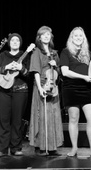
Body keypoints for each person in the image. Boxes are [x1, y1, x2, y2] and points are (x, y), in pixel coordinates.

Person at [60, 26, 91, 158]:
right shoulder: (66, 52)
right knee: (74, 118)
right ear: (71, 38)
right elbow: (65, 72)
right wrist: (84, 77)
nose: (78, 38)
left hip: (86, 89)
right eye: (76, 36)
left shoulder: (88, 53)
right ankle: (74, 148)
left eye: (81, 36)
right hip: (70, 88)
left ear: (83, 38)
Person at [28, 26, 64, 156]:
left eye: (48, 34)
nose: (46, 36)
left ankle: (52, 147)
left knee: (53, 115)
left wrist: (56, 65)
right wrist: (40, 88)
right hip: (42, 85)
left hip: (53, 86)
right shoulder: (37, 51)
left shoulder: (54, 53)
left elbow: (59, 72)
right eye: (43, 34)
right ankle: (41, 147)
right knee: (41, 116)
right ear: (39, 37)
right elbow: (36, 71)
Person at [0, 33, 30, 157]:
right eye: (13, 40)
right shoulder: (3, 55)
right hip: (3, 90)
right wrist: (6, 67)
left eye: (17, 40)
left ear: (20, 43)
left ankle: (16, 147)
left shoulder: (25, 55)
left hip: (20, 90)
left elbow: (29, 74)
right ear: (9, 42)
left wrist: (21, 68)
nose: (15, 42)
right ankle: (2, 149)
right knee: (3, 119)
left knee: (17, 120)